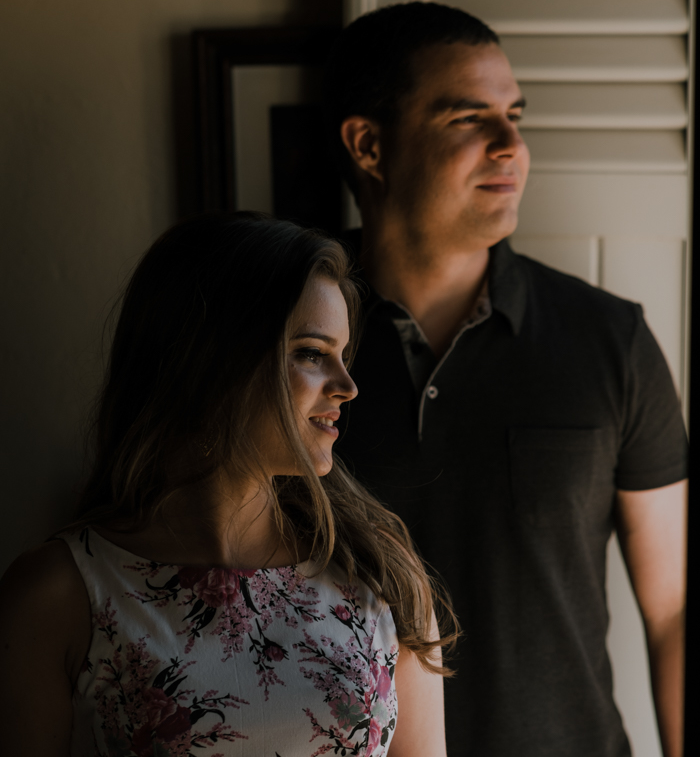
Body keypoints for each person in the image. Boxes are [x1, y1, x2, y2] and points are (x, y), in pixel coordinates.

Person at [325, 3, 688, 757]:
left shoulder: (609, 340)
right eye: (468, 118)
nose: (512, 146)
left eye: (515, 115)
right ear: (368, 145)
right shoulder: (282, 347)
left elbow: (677, 612)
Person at [0, 215, 454, 757]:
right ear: (213, 361)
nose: (348, 387)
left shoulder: (378, 576)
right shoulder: (59, 596)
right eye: (311, 353)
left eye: (342, 355)